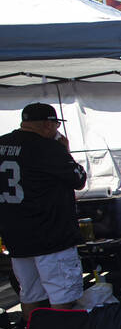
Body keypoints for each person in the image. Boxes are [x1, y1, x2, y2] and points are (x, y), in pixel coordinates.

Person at [0, 102, 87, 318]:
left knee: (30, 295)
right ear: (47, 125)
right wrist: (65, 151)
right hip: (52, 237)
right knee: (63, 296)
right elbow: (78, 178)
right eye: (56, 124)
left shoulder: (1, 144)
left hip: (18, 238)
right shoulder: (48, 148)